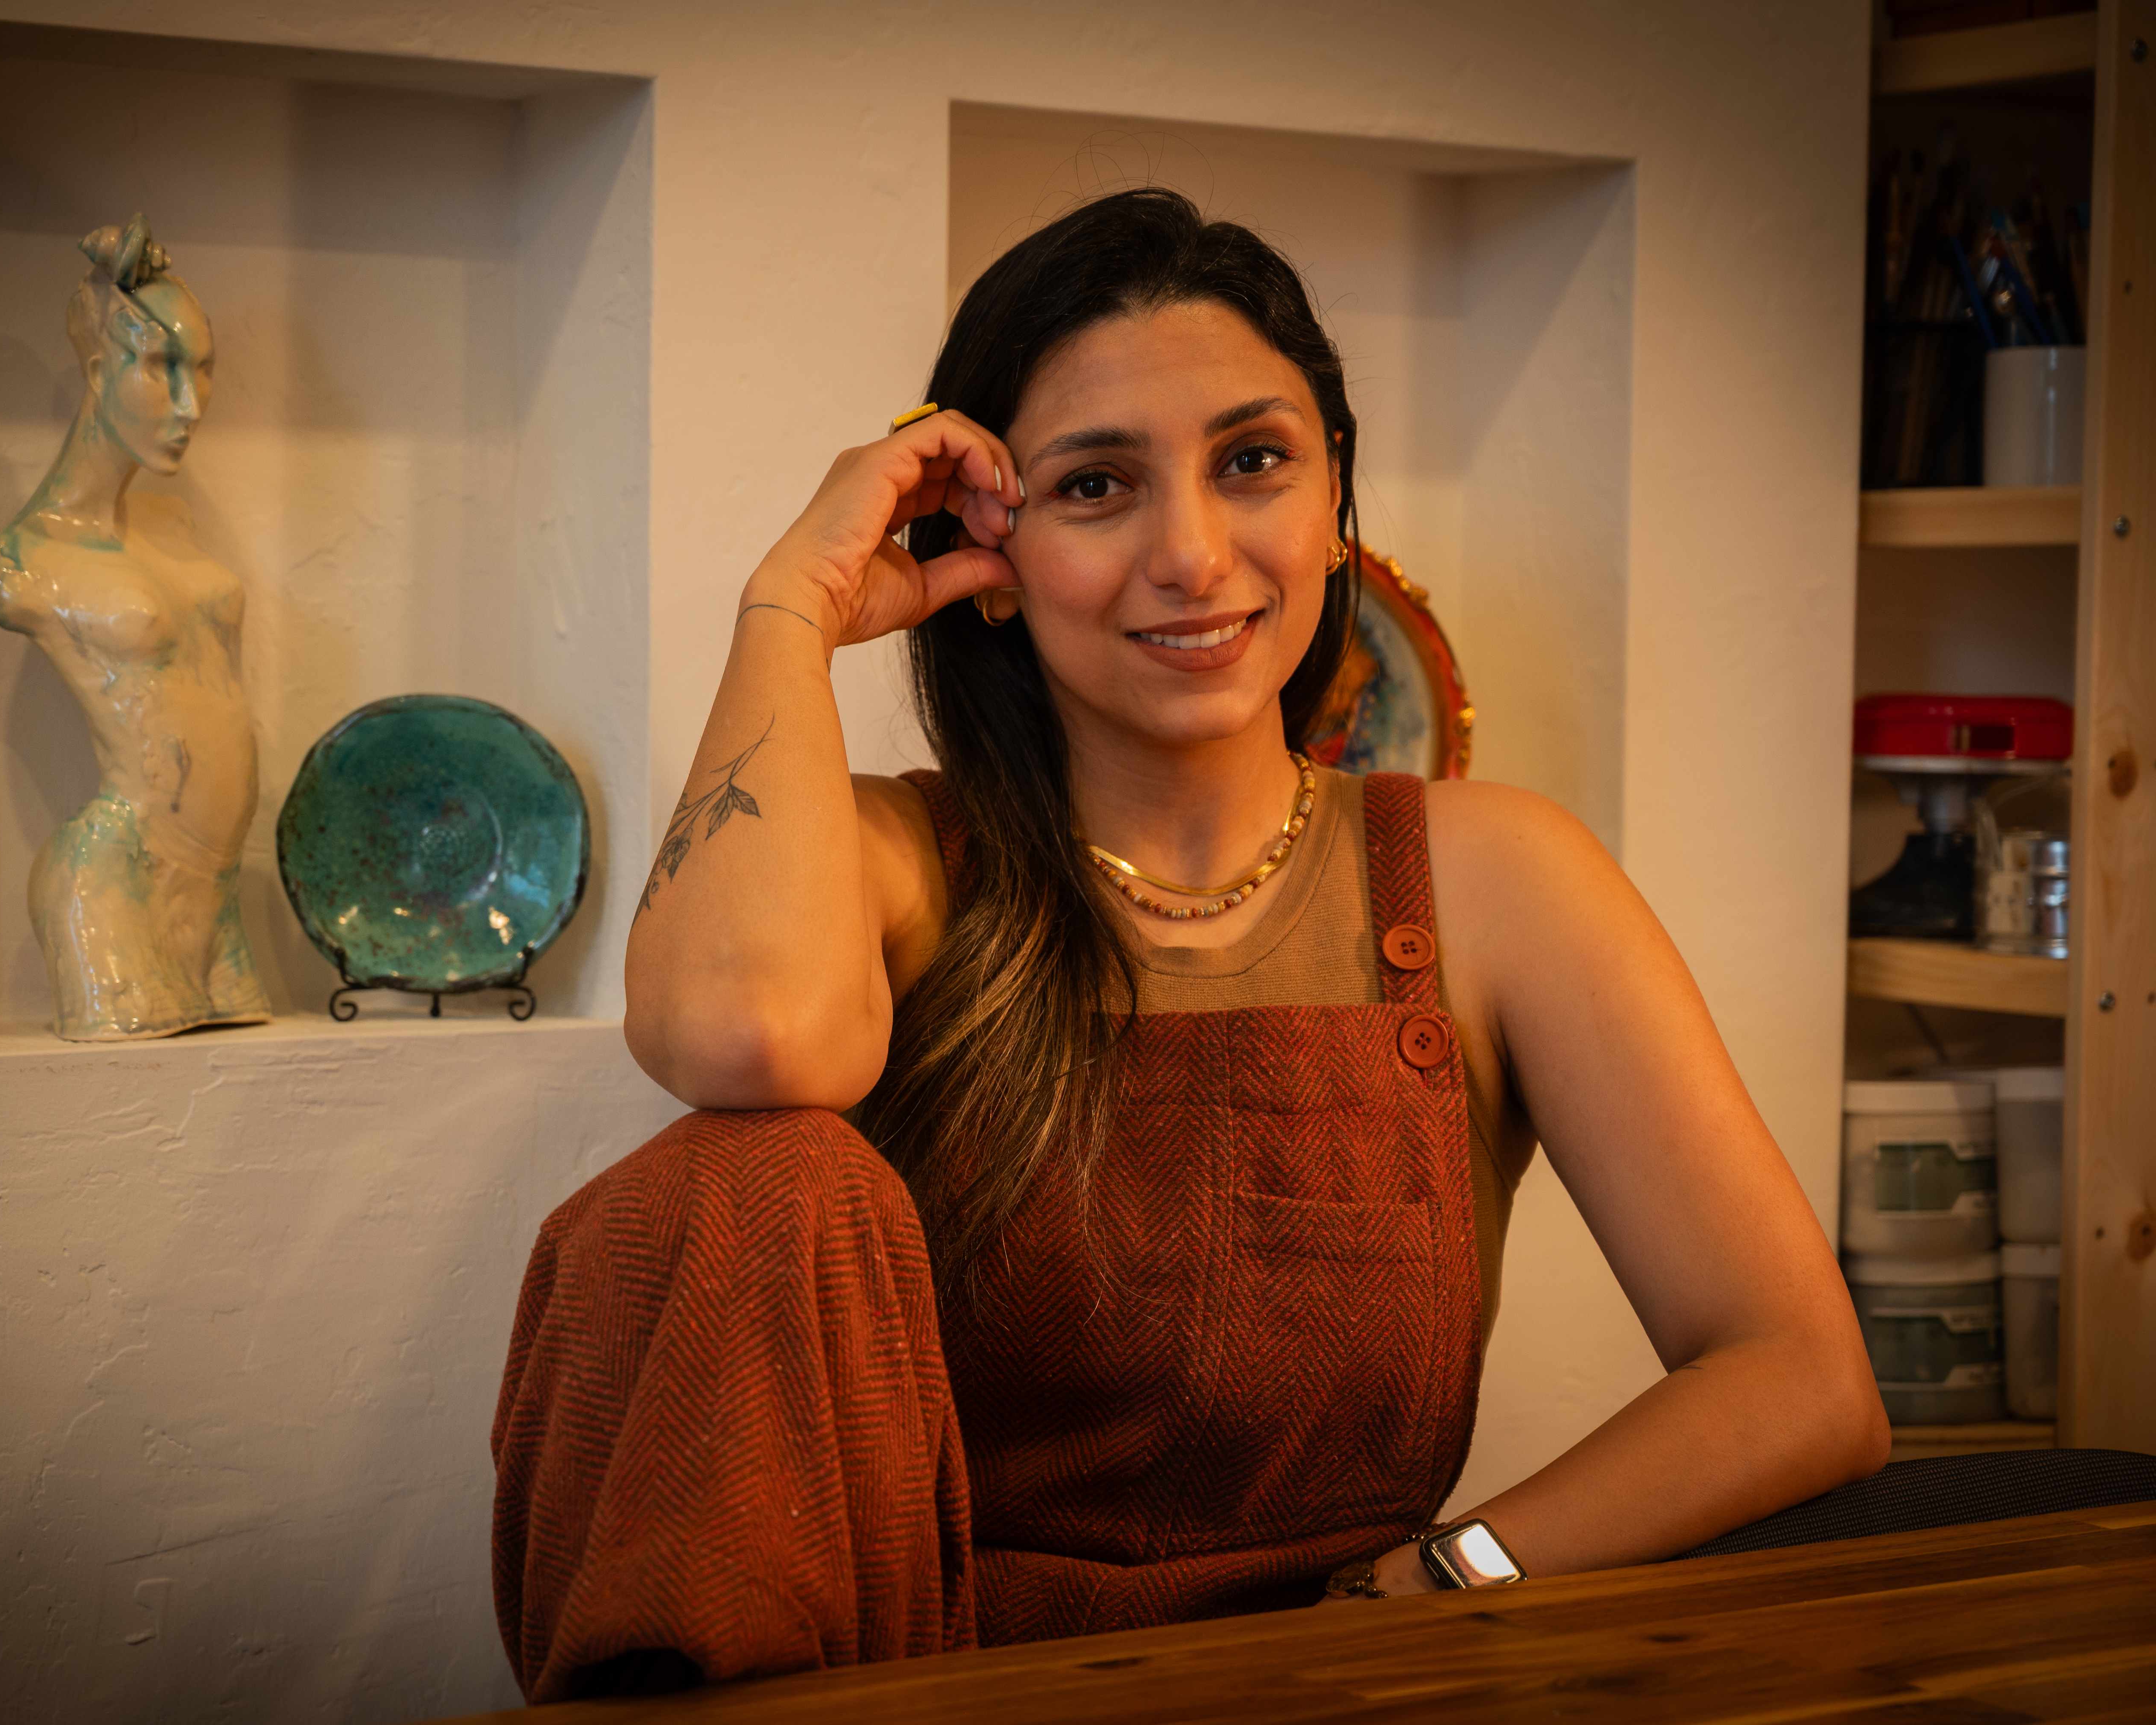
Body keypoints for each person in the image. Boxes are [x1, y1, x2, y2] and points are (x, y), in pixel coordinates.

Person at [491, 188, 1885, 1702]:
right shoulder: (899, 857)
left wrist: (1456, 1568)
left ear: (1333, 498)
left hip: (1338, 1678)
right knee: (740, 1171)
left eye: (1251, 462)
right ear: (989, 553)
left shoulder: (1496, 881)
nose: (1193, 553)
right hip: (928, 1688)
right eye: (1095, 487)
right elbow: (739, 1037)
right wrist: (790, 605)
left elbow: (1797, 1374)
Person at [0, 216, 270, 1041]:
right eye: (161, 368)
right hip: (114, 886)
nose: (192, 404)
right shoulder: (24, 560)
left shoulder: (172, 537)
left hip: (217, 899)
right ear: (101, 370)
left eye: (204, 371)